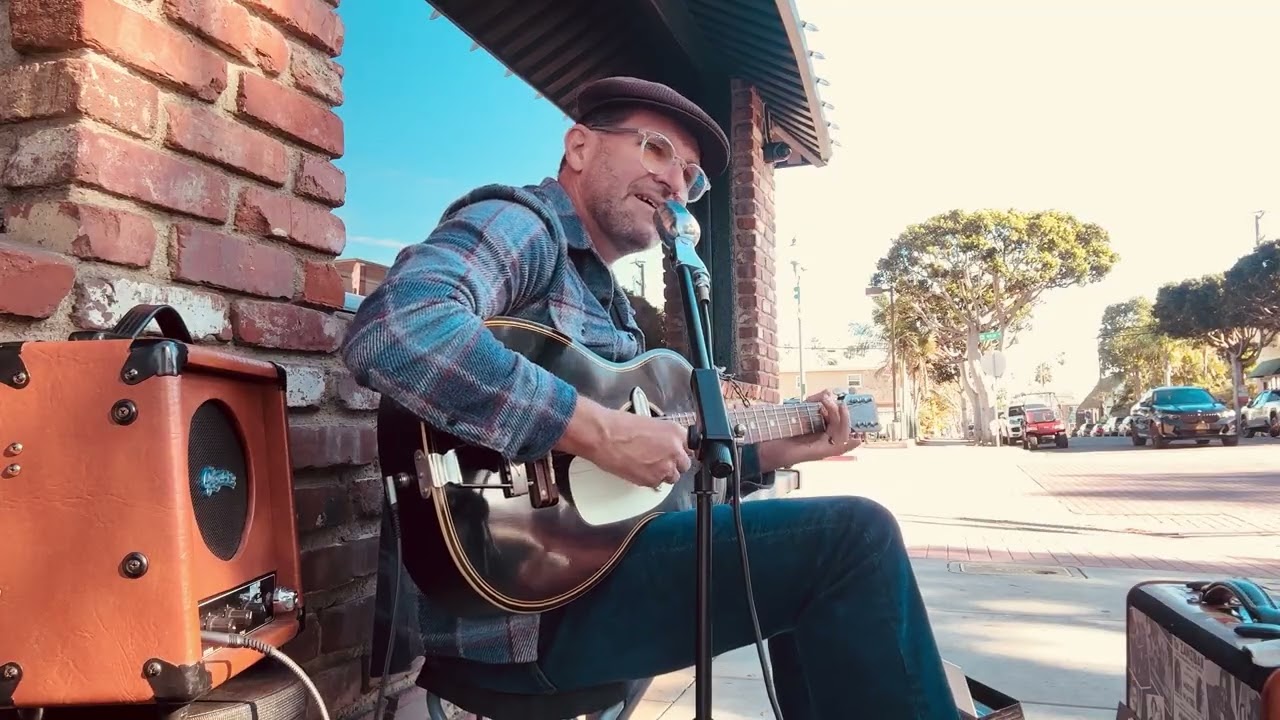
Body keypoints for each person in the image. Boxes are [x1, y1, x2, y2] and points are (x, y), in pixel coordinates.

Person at [342, 76, 958, 718]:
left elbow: (652, 483)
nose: (675, 182)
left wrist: (781, 450)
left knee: (801, 558)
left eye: (690, 174)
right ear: (579, 147)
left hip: (596, 571)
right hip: (525, 609)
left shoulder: (619, 316)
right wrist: (597, 431)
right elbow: (397, 328)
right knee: (852, 538)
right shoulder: (526, 225)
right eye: (657, 149)